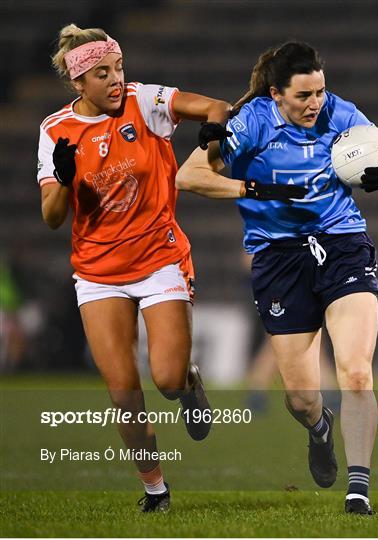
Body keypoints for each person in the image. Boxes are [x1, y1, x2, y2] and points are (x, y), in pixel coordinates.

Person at [175, 41, 378, 515]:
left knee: (356, 370)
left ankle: (358, 490)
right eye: (304, 96)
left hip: (342, 243)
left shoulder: (337, 111)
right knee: (302, 400)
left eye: (320, 92)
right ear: (276, 94)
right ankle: (319, 429)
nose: (316, 104)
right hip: (279, 257)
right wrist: (255, 186)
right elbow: (189, 176)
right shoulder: (252, 122)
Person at [37, 23, 232, 513]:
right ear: (78, 84)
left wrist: (213, 138)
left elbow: (216, 108)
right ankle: (155, 490)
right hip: (98, 273)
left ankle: (188, 384)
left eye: (119, 68)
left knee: (165, 379)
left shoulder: (144, 102)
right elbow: (52, 218)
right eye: (102, 74)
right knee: (124, 392)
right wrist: (62, 178)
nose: (116, 80)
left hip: (158, 259)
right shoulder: (54, 131)